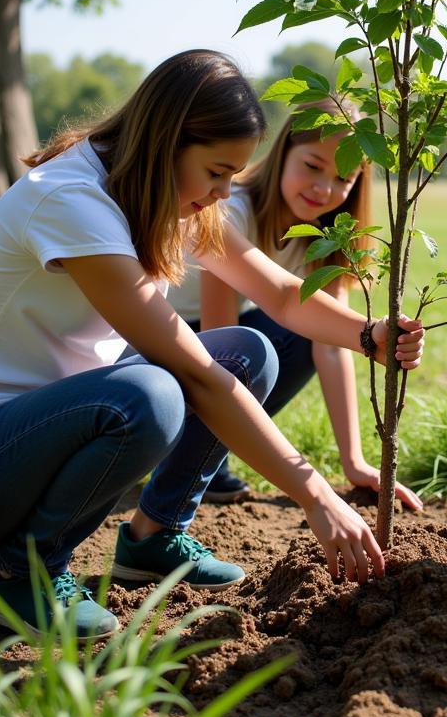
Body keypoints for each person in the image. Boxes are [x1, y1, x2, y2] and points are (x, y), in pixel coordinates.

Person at [0, 50, 424, 640]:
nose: (225, 193)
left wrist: (366, 335)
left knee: (248, 352)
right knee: (151, 396)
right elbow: (195, 373)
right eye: (217, 173)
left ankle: (152, 539)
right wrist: (316, 494)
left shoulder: (163, 193)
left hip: (38, 428)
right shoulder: (74, 202)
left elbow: (277, 294)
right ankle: (25, 577)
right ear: (168, 143)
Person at [169, 108, 423, 512]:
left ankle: (207, 448)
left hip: (216, 351)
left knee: (316, 328)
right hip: (171, 347)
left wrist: (353, 462)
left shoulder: (326, 233)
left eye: (343, 178)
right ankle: (194, 451)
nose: (324, 188)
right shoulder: (228, 212)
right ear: (282, 153)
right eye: (312, 166)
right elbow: (222, 345)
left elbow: (335, 345)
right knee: (255, 344)